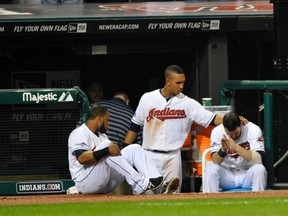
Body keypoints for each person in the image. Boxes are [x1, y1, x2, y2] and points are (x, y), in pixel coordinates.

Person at [124, 64, 225, 193]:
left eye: (183, 82)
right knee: (146, 194)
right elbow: (135, 125)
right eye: (178, 83)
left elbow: (212, 118)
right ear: (168, 82)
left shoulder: (188, 103)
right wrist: (125, 147)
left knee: (172, 196)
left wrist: (234, 119)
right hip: (149, 155)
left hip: (173, 157)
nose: (181, 86)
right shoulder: (148, 98)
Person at [68, 104, 175, 195]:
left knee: (134, 148)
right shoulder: (79, 133)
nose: (108, 124)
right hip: (84, 182)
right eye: (107, 120)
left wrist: (117, 149)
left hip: (104, 182)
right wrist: (107, 150)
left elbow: (114, 156)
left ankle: (160, 188)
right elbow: (82, 158)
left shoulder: (102, 137)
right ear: (99, 119)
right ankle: (140, 184)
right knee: (107, 147)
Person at [203, 112, 267, 192]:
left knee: (260, 169)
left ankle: (259, 202)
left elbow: (258, 158)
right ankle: (211, 202)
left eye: (236, 133)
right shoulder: (217, 131)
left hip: (248, 172)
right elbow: (215, 161)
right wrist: (223, 150)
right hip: (228, 175)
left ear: (241, 124)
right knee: (210, 169)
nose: (233, 136)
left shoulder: (252, 129)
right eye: (229, 134)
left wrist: (236, 148)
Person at [96, 92, 143, 195]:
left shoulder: (96, 105)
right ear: (127, 102)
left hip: (94, 164)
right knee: (120, 199)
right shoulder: (132, 113)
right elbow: (139, 143)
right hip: (118, 164)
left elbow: (81, 127)